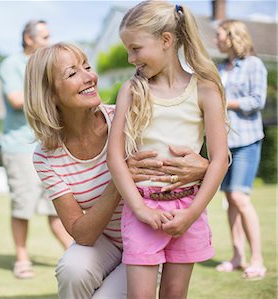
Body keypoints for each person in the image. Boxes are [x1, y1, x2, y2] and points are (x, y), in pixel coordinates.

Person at [24, 42, 209, 298]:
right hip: (106, 241)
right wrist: (121, 176)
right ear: (49, 95)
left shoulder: (128, 117)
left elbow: (179, 155)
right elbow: (83, 234)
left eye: (87, 66)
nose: (89, 77)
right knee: (72, 269)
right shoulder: (46, 157)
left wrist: (204, 167)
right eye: (72, 73)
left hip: (149, 239)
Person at [107, 1, 229, 298]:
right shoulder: (132, 90)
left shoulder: (206, 89)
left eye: (136, 48)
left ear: (165, 40)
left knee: (175, 294)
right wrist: (140, 209)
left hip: (189, 210)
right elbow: (115, 157)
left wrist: (192, 214)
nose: (130, 57)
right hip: (143, 211)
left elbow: (219, 160)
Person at [0, 19, 72, 279]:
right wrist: (52, 92)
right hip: (19, 147)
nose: (48, 42)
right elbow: (16, 99)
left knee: (57, 205)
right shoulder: (12, 64)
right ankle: (21, 259)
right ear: (29, 39)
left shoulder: (46, 65)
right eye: (44, 37)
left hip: (49, 143)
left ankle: (76, 255)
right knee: (23, 206)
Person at [214, 19, 267, 280]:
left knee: (239, 197)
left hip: (247, 140)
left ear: (232, 36)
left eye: (219, 35)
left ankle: (257, 259)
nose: (216, 39)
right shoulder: (221, 67)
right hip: (224, 144)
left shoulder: (254, 64)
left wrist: (226, 102)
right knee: (230, 201)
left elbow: (257, 101)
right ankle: (237, 256)